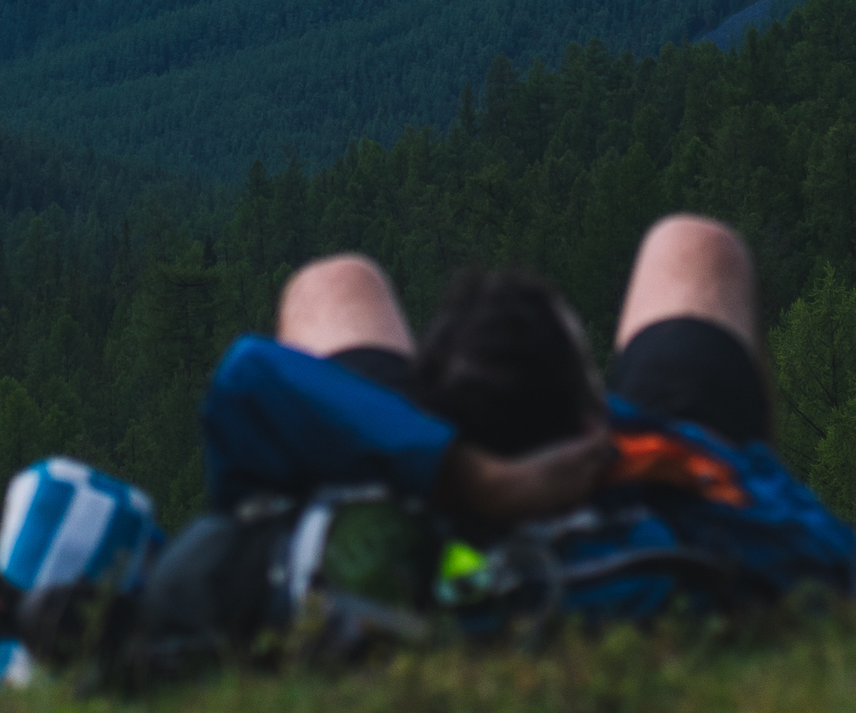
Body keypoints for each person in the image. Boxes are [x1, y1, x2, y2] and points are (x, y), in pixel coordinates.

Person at [201, 213, 775, 525]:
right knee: (694, 244)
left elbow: (249, 375)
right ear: (589, 426)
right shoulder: (702, 519)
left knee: (334, 284)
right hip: (650, 499)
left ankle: (435, 437)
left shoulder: (385, 557)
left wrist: (469, 478)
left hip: (429, 499)